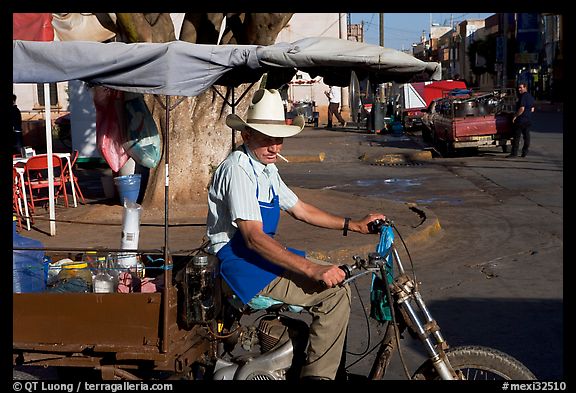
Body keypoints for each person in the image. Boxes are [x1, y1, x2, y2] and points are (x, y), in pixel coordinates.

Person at [206, 88, 385, 380]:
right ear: (246, 135)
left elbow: (300, 209)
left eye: (279, 139)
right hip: (240, 263)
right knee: (334, 297)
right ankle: (318, 377)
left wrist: (354, 225)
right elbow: (252, 237)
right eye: (267, 138)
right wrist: (313, 269)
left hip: (259, 257)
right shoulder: (238, 170)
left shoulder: (266, 168)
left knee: (341, 282)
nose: (275, 147)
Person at [507, 82, 535, 158]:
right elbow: (532, 109)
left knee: (516, 137)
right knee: (526, 137)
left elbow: (522, 108)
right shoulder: (531, 97)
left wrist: (515, 116)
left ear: (525, 87)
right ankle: (525, 152)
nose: (519, 89)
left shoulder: (523, 96)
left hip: (521, 120)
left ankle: (514, 153)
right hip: (528, 119)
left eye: (521, 87)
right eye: (518, 88)